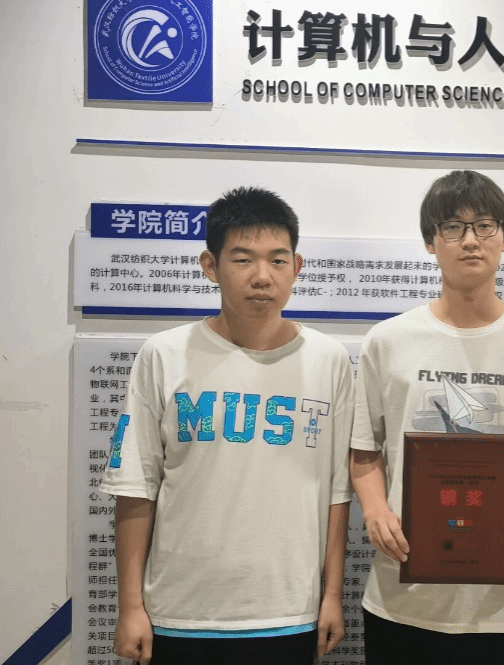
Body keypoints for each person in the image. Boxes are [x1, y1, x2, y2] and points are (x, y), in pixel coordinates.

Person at [100, 186, 353, 664]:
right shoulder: (164, 355)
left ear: (297, 267)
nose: (262, 277)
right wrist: (131, 606)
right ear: (210, 266)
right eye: (242, 259)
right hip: (179, 613)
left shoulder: (329, 360)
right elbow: (135, 486)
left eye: (278, 260)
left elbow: (337, 492)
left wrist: (332, 595)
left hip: (289, 612)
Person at [349, 170, 504, 664]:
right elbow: (363, 449)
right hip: (401, 596)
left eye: (485, 226)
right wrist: (376, 511)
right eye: (452, 227)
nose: (470, 240)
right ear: (430, 242)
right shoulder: (388, 341)